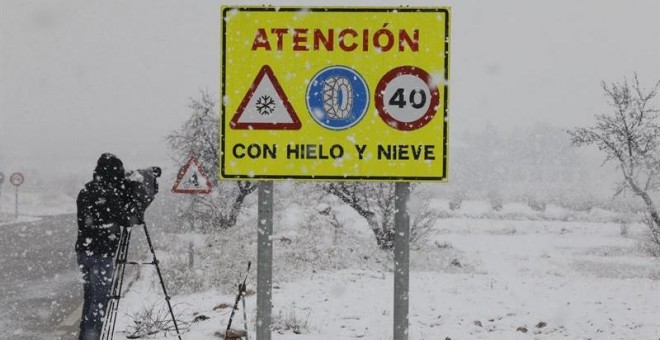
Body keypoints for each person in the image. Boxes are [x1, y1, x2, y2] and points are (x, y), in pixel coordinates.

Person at [76, 153, 136, 340]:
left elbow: (85, 223)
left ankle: (85, 336)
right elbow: (127, 219)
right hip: (102, 253)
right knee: (99, 303)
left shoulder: (86, 190)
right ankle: (92, 337)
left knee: (90, 299)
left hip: (84, 251)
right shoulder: (110, 194)